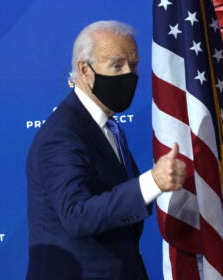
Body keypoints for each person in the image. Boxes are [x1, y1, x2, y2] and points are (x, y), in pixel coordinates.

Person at [26, 20, 186, 280]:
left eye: (133, 65)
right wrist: (153, 181)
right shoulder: (62, 135)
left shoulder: (108, 127)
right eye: (116, 65)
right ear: (84, 70)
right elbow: (76, 215)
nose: (128, 74)